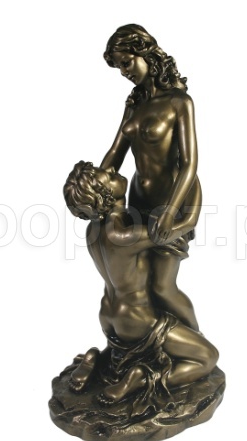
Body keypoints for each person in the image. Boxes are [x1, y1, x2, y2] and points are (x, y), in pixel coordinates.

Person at [63, 162, 218, 410]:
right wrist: (191, 180)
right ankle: (143, 379)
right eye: (107, 176)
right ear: (104, 194)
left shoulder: (92, 231)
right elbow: (185, 224)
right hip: (136, 320)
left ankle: (97, 359)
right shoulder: (127, 236)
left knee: (129, 353)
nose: (112, 170)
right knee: (208, 357)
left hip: (108, 313)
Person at [100, 24, 202, 331]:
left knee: (161, 287)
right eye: (119, 67)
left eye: (126, 62)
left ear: (144, 52)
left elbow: (190, 164)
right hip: (137, 201)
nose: (124, 72)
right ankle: (148, 343)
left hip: (173, 201)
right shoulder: (134, 103)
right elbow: (115, 152)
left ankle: (197, 340)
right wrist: (96, 186)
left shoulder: (179, 102)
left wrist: (170, 212)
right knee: (139, 284)